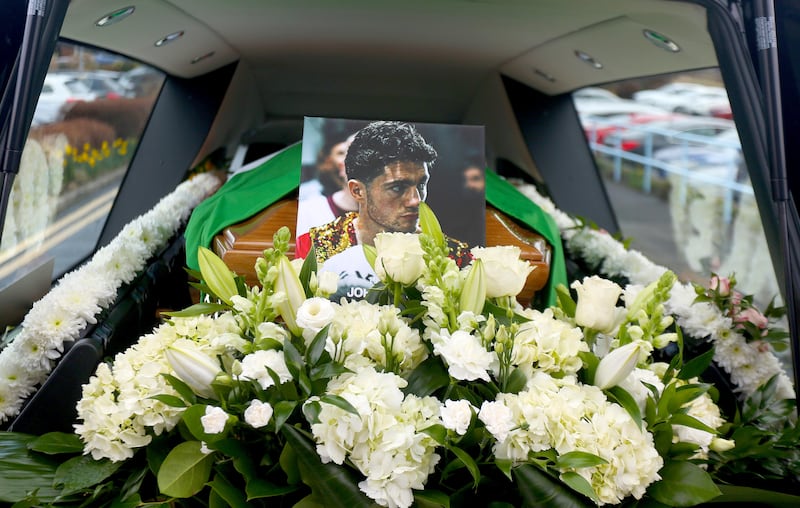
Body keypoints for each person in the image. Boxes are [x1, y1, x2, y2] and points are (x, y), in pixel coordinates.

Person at [295, 120, 470, 299]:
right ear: (358, 191)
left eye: (421, 184)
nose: (416, 200)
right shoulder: (313, 247)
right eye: (397, 187)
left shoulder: (454, 257)